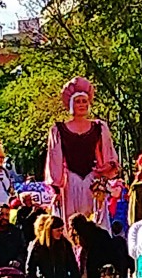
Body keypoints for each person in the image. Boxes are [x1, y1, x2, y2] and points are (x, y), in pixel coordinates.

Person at [45, 76, 120, 228]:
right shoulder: (59, 130)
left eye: (84, 101)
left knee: (96, 221)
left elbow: (108, 153)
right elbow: (55, 160)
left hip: (93, 181)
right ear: (71, 104)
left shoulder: (99, 127)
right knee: (72, 221)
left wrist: (106, 168)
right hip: (70, 182)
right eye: (78, 101)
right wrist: (56, 188)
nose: (82, 105)